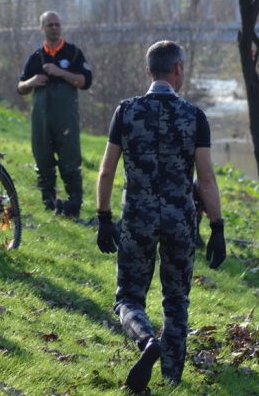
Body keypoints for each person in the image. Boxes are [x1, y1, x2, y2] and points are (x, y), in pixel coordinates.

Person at [95, 40, 226, 392]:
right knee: (176, 301)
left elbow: (106, 171)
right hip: (180, 222)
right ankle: (171, 379)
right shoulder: (194, 116)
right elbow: (207, 178)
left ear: (148, 71)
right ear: (178, 69)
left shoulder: (126, 111)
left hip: (137, 219)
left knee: (128, 298)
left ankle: (146, 342)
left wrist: (104, 217)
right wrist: (217, 227)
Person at [17, 11, 92, 221]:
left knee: (70, 161)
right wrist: (32, 82)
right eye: (49, 25)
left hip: (66, 118)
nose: (54, 28)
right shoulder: (35, 57)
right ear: (42, 28)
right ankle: (49, 204)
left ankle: (74, 204)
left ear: (61, 27)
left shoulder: (73, 53)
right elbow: (20, 87)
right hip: (41, 120)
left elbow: (86, 82)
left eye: (57, 24)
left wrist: (61, 73)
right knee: (43, 160)